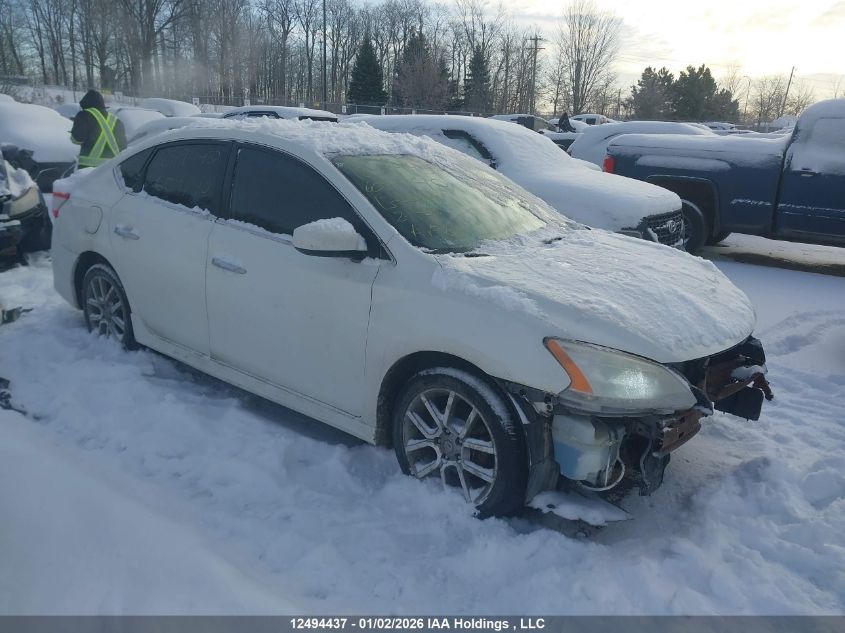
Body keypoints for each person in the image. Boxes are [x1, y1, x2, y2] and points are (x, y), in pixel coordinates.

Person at [71, 89, 127, 168]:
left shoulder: (84, 115)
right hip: (112, 169)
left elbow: (77, 140)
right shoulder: (116, 120)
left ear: (85, 104)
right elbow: (123, 146)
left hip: (88, 168)